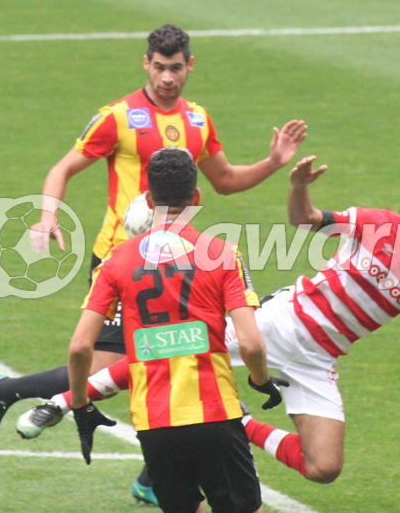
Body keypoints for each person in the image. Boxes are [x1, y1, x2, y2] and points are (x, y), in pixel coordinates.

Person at [21, 155, 400, 488]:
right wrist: (299, 188)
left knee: (323, 468)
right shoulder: (374, 224)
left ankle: (239, 422)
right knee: (165, 346)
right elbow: (305, 220)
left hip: (318, 359)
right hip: (279, 323)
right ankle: (60, 403)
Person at [0, 24, 307, 452]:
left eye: (175, 68)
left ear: (189, 66)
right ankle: (4, 391)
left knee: (179, 356)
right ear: (145, 64)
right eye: (158, 68)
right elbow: (63, 169)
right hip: (121, 259)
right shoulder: (117, 117)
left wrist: (273, 162)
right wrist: (46, 216)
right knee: (112, 368)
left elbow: (223, 180)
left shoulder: (197, 118)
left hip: (178, 257)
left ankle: (156, 474)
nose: (166, 78)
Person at [68, 148, 287, 513]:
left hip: (154, 422)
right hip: (215, 414)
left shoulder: (115, 261)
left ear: (149, 199)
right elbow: (250, 343)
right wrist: (262, 380)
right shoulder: (222, 253)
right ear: (196, 197)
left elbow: (79, 348)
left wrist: (80, 404)